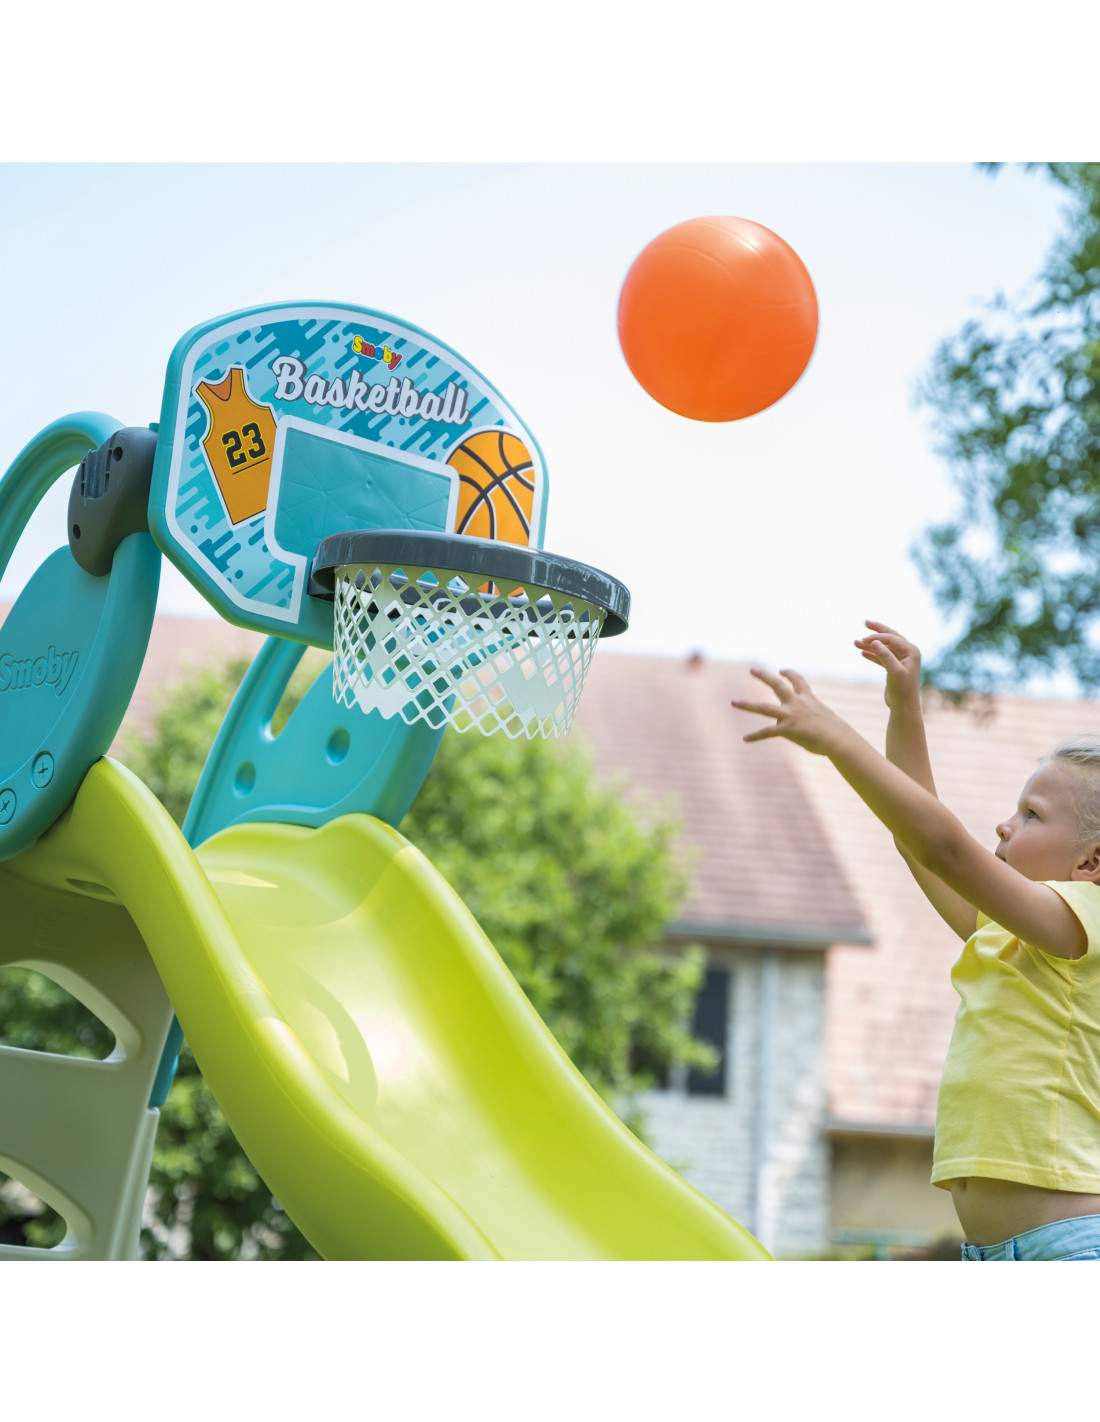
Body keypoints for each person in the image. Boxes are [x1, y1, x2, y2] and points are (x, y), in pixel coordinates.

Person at [731, 621, 1100, 1261]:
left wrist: (838, 740)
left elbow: (944, 848)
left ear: (1091, 862)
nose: (1004, 826)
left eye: (1032, 815)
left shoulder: (1085, 920)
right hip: (998, 1251)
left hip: (1068, 1247)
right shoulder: (1010, 935)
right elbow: (919, 842)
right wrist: (905, 712)